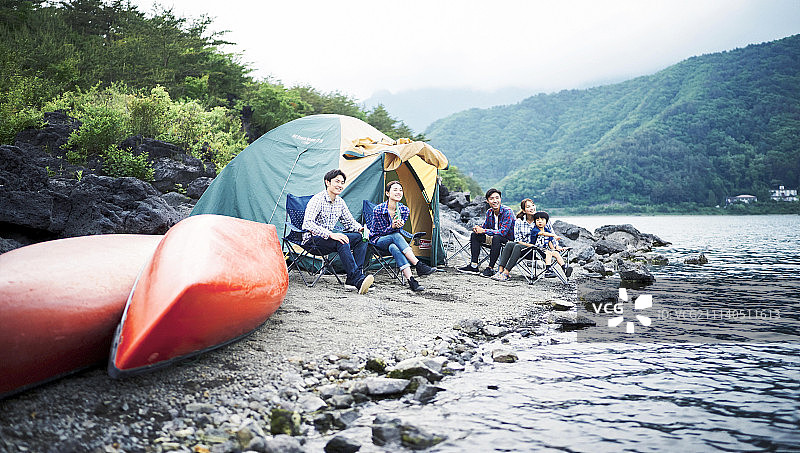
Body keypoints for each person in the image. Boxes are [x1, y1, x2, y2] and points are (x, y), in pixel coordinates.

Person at [302, 169, 374, 294]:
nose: (340, 185)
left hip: (330, 239)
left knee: (361, 237)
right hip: (312, 240)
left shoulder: (340, 202)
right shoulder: (317, 199)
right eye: (337, 182)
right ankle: (358, 279)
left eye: (342, 182)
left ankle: (354, 277)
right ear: (327, 182)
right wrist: (330, 234)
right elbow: (307, 223)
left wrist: (361, 229)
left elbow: (350, 222)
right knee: (341, 240)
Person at [370, 181, 436, 292]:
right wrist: (392, 227)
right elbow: (376, 232)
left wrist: (397, 227)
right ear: (387, 193)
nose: (398, 192)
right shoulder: (378, 210)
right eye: (395, 190)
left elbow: (398, 230)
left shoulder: (404, 210)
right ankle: (418, 264)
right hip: (377, 241)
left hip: (392, 243)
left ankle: (411, 281)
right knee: (395, 236)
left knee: (394, 247)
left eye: (400, 190)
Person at [456, 188, 515, 277]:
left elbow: (503, 232)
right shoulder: (489, 212)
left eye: (497, 198)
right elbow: (485, 227)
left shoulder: (507, 211)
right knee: (475, 235)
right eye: (491, 199)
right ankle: (474, 266)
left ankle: (490, 268)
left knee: (497, 237)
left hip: (507, 241)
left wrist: (484, 230)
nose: (495, 201)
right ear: (487, 201)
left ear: (500, 199)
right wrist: (478, 229)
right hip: (494, 239)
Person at [491, 198, 537, 282]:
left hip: (535, 250)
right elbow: (517, 239)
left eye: (533, 205)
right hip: (523, 248)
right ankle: (500, 271)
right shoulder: (519, 221)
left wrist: (556, 247)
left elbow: (551, 235)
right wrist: (527, 245)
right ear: (523, 210)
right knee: (510, 244)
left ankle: (506, 272)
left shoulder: (541, 219)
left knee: (517, 246)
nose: (532, 208)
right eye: (528, 207)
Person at [530, 211, 572, 279]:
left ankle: (564, 268)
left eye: (542, 220)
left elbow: (549, 242)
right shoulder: (535, 230)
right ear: (535, 222)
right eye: (537, 220)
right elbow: (543, 234)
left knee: (556, 253)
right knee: (549, 252)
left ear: (546, 221)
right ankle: (548, 270)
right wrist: (554, 235)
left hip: (545, 250)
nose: (540, 222)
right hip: (535, 250)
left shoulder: (547, 230)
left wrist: (555, 249)